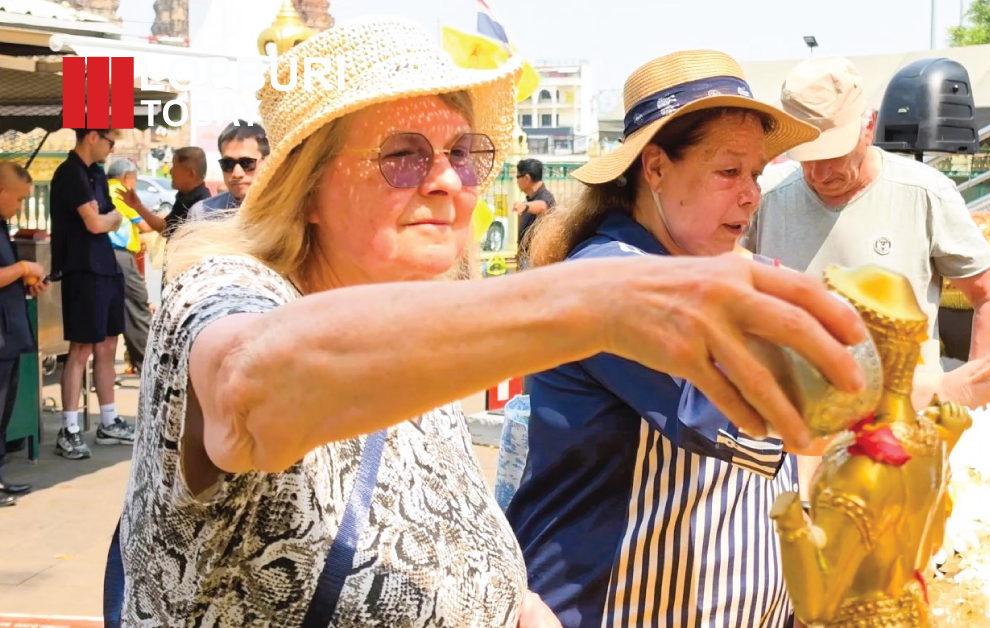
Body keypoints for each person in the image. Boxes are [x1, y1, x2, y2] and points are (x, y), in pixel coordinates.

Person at [113, 20, 870, 628]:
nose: (447, 180)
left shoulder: (424, 338)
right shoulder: (225, 286)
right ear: (309, 187)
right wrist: (600, 302)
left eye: (464, 154)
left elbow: (483, 573)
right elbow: (248, 390)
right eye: (404, 156)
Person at [508, 50, 990, 628]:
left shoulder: (733, 269)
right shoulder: (614, 279)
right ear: (656, 167)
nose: (750, 195)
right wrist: (958, 389)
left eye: (756, 174)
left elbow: (836, 384)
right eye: (727, 171)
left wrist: (973, 380)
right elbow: (770, 412)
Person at [743, 56, 990, 368]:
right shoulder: (762, 196)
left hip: (903, 410)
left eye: (832, 155)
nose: (818, 174)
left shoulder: (925, 193)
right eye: (805, 157)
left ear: (868, 128)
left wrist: (976, 393)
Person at [48, 129, 136, 461]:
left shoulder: (96, 173)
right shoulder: (70, 173)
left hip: (106, 267)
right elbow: (98, 224)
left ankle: (109, 420)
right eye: (110, 141)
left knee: (108, 344)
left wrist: (107, 218)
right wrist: (108, 218)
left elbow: (108, 216)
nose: (113, 147)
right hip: (82, 270)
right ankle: (69, 427)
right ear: (93, 137)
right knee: (81, 348)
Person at [0, 162, 45, 507]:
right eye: (18, 201)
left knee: (5, 410)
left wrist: (26, 280)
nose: (19, 209)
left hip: (10, 333)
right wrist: (25, 268)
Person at [106, 159, 154, 375]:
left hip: (104, 256)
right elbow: (145, 224)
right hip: (120, 256)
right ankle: (146, 364)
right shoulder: (121, 192)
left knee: (114, 311)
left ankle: (111, 367)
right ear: (127, 178)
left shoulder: (102, 189)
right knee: (137, 305)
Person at [190, 121, 269, 221]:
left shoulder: (287, 211)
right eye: (228, 163)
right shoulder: (202, 214)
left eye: (247, 163)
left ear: (267, 161)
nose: (236, 174)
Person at [514, 158, 555, 266]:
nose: (517, 181)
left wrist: (525, 206)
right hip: (526, 257)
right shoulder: (530, 199)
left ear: (526, 178)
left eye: (518, 177)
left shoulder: (545, 196)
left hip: (536, 260)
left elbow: (543, 206)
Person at [162, 146, 211, 236]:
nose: (171, 171)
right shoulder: (184, 196)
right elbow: (167, 228)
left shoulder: (203, 208)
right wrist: (137, 206)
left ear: (191, 174)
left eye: (175, 167)